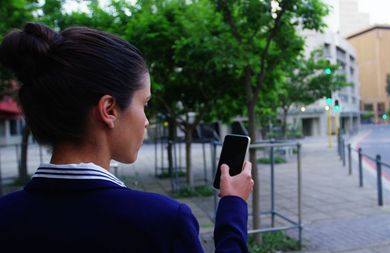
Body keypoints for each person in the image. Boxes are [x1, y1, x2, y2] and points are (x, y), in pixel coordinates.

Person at [0, 23, 254, 252]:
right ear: (109, 109)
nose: (146, 121)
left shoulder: (6, 215)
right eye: (144, 103)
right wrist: (233, 207)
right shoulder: (162, 221)